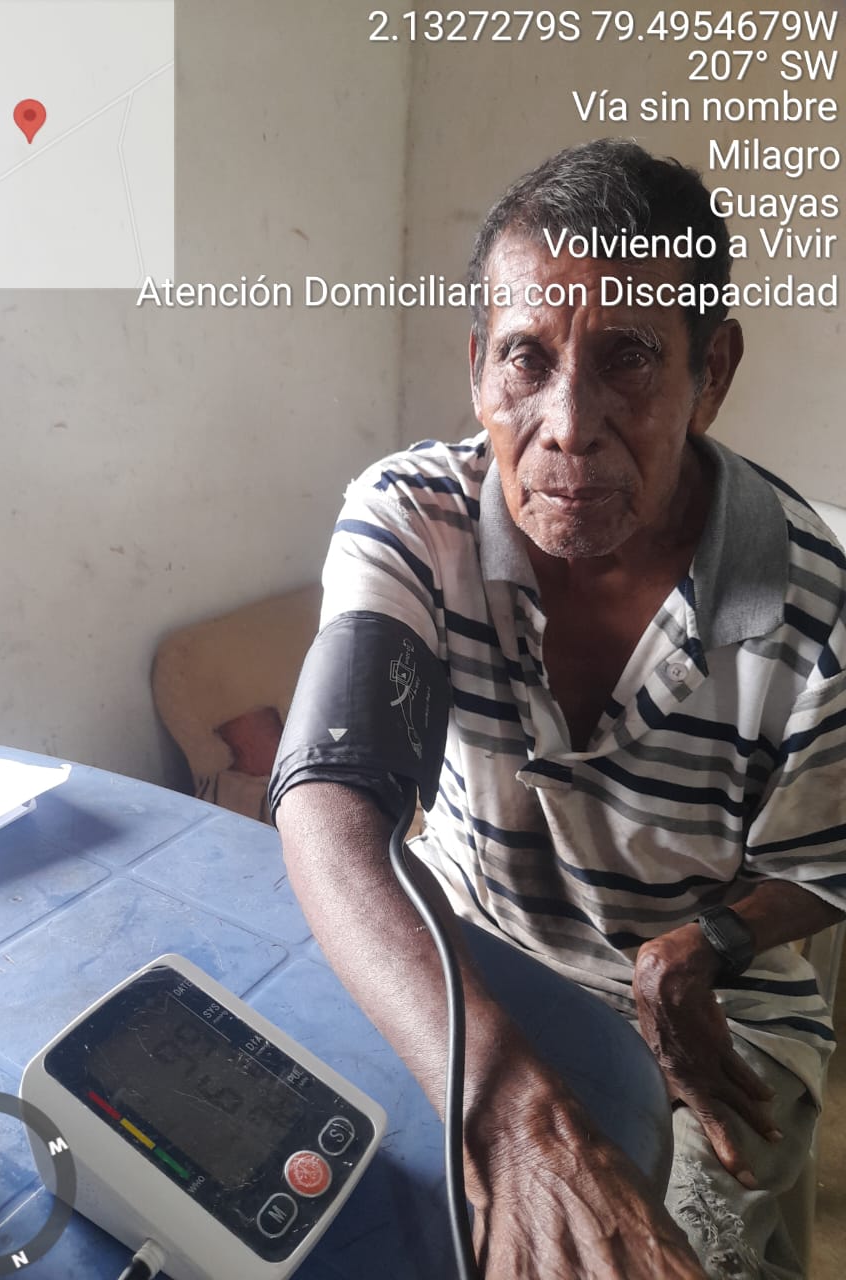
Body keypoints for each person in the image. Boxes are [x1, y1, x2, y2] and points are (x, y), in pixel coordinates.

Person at [272, 139, 846, 1279]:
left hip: (722, 1018)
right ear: (478, 366)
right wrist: (510, 1108)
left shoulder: (818, 608)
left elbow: (827, 867)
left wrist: (706, 942)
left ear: (713, 372)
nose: (569, 423)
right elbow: (326, 803)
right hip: (471, 963)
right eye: (526, 359)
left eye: (629, 357)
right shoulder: (414, 518)